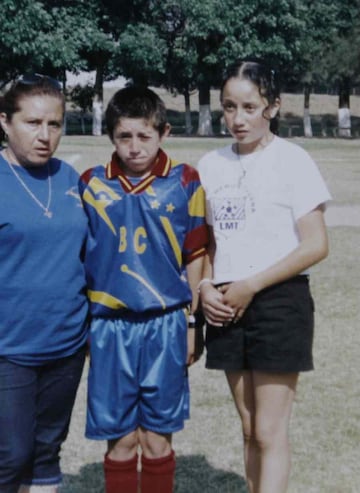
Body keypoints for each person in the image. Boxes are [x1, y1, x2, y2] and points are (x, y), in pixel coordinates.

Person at [197, 59, 331, 493]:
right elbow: (210, 243)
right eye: (229, 107)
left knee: (271, 432)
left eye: (249, 107)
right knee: (249, 427)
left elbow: (315, 244)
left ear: (272, 106)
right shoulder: (209, 165)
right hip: (224, 304)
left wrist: (251, 286)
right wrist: (204, 287)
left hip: (277, 302)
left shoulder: (293, 160)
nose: (237, 119)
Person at [78, 85, 208, 493]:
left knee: (156, 438)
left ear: (163, 133)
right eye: (124, 137)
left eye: (144, 136)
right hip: (109, 326)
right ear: (111, 136)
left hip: (166, 324)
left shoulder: (185, 181)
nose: (134, 147)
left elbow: (196, 257)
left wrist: (193, 323)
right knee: (119, 440)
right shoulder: (91, 185)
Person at [0, 74, 88, 493]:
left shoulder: (71, 179)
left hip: (67, 344)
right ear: (4, 121)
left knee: (46, 452)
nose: (45, 135)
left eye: (54, 124)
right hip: (9, 348)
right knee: (10, 456)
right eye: (33, 123)